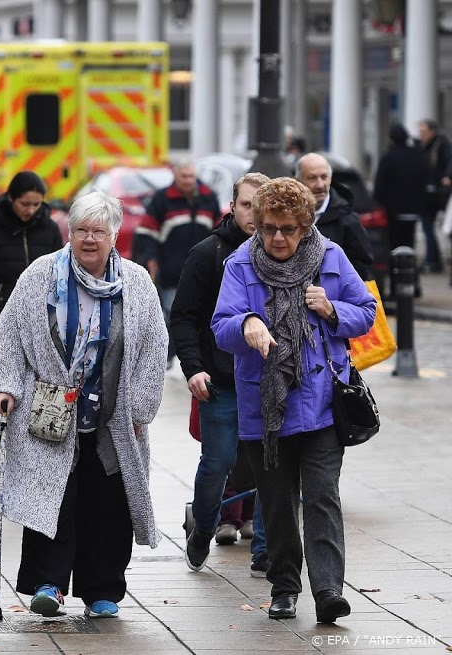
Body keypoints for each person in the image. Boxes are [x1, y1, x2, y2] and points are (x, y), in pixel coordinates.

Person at [0, 191, 168, 619]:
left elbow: (154, 347)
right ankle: (47, 584)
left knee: (107, 502)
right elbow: (10, 330)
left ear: (114, 236)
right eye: (81, 230)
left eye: (98, 232)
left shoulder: (137, 283)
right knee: (52, 496)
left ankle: (102, 590)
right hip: (49, 407)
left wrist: (140, 409)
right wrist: (4, 386)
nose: (89, 239)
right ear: (70, 232)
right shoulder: (41, 275)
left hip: (112, 414)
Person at [211, 177, 376, 623]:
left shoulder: (332, 258)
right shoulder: (240, 264)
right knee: (277, 502)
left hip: (323, 404)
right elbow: (221, 325)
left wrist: (333, 309)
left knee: (322, 496)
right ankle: (285, 587)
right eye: (268, 228)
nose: (277, 238)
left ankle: (327, 591)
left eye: (287, 229)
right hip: (265, 409)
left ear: (305, 226)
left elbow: (367, 314)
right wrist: (246, 322)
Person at [169, 172, 271, 576]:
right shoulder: (208, 253)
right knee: (218, 463)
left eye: (260, 205)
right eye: (246, 204)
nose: (253, 213)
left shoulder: (283, 253)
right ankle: (204, 527)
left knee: (272, 464)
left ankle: (264, 549)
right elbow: (183, 318)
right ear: (233, 205)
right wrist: (193, 369)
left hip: (271, 382)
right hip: (221, 382)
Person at [0, 171, 63, 499]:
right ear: (11, 198)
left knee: (33, 399)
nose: (31, 210)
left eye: (37, 204)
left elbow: (58, 280)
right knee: (16, 395)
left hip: (41, 326)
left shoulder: (49, 229)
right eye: (25, 203)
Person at [133, 158, 220, 366]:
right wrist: (150, 258)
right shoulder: (162, 200)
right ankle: (171, 357)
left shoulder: (209, 198)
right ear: (176, 177)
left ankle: (197, 355)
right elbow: (146, 233)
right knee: (174, 315)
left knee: (202, 315)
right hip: (173, 272)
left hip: (203, 271)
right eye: (184, 177)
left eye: (191, 176)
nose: (189, 181)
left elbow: (219, 230)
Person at [295, 153, 373, 279]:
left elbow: (361, 271)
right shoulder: (288, 217)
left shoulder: (348, 220)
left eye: (324, 177)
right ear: (298, 181)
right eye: (312, 178)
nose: (320, 185)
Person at [374, 124, 430, 254]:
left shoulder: (388, 157)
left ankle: (396, 267)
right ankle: (410, 266)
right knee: (409, 241)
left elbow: (380, 184)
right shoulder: (418, 155)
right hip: (414, 208)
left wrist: (379, 203)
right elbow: (425, 179)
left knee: (395, 243)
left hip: (393, 210)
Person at [417, 119, 452, 273]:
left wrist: (447, 178)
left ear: (432, 131)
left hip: (441, 193)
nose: (422, 135)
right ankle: (433, 259)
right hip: (427, 194)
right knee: (427, 227)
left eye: (424, 132)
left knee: (446, 228)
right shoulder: (422, 146)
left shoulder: (442, 145)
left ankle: (434, 259)